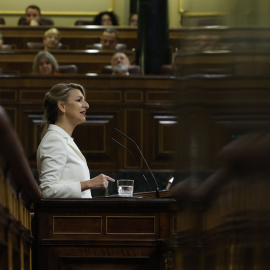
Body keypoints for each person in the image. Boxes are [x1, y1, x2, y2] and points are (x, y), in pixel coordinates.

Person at [37, 83, 115, 198]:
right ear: (62, 106)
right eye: (79, 100)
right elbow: (47, 190)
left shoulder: (63, 139)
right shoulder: (54, 140)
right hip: (67, 215)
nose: (87, 105)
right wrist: (88, 183)